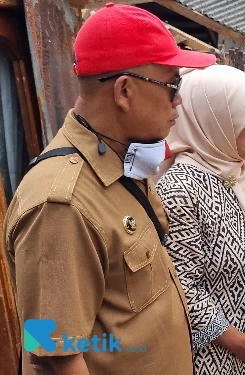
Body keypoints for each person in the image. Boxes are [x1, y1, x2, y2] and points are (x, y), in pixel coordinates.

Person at [4, 4, 216, 375]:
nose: (178, 100)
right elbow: (51, 355)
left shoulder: (122, 163)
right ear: (124, 91)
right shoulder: (60, 204)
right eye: (172, 85)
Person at [155, 65, 245, 375]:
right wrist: (234, 339)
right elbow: (182, 285)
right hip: (214, 357)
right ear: (214, 120)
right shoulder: (180, 189)